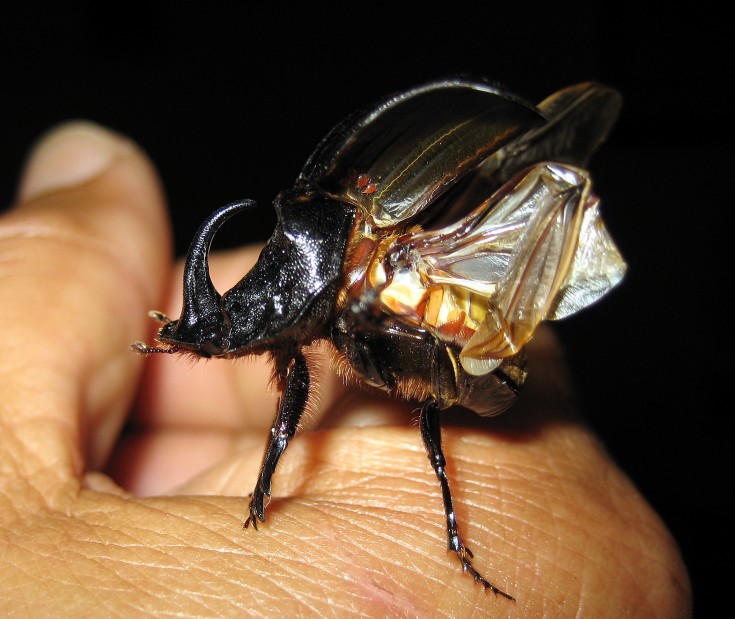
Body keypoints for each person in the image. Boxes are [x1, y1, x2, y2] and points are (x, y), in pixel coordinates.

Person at [0, 122, 691, 617]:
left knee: (423, 405)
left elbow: (285, 423)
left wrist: (258, 509)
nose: (231, 332)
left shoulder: (356, 296)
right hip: (419, 331)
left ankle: (452, 535)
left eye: (232, 329)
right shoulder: (326, 297)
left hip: (465, 356)